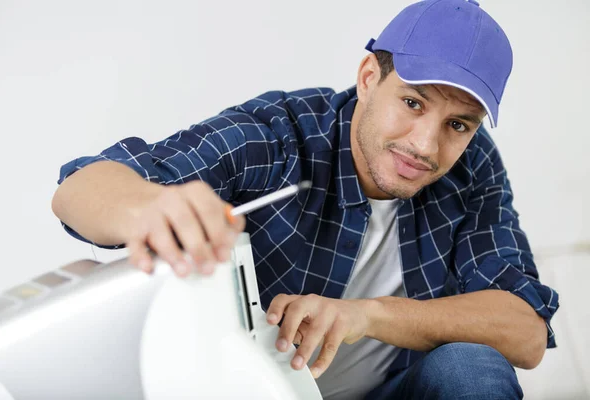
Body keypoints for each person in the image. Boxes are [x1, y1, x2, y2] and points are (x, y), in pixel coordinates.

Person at [51, 0, 559, 399]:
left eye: (457, 125)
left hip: (388, 393)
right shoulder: (278, 137)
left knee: (473, 365)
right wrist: (148, 207)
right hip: (251, 393)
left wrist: (368, 315)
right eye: (411, 103)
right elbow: (79, 190)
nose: (426, 146)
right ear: (367, 79)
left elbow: (524, 332)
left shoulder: (470, 163)